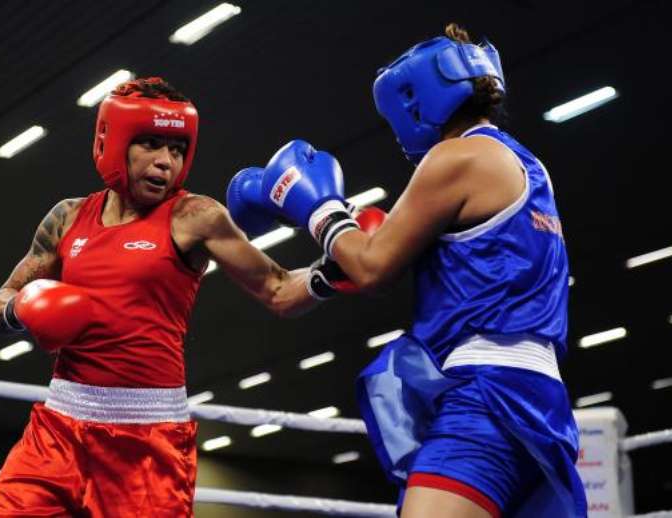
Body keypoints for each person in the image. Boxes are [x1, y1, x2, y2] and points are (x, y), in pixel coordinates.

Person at [227, 23, 587, 518]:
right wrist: (327, 268)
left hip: (487, 398)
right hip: (541, 403)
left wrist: (318, 206)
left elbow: (372, 267)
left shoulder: (456, 157)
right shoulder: (526, 164)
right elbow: (291, 293)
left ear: (416, 102)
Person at [0, 77, 363, 517]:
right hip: (57, 431)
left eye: (177, 149)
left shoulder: (195, 216)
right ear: (114, 141)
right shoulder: (67, 218)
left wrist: (328, 274)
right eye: (151, 144)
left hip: (147, 441)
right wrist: (21, 308)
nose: (166, 162)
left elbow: (277, 289)